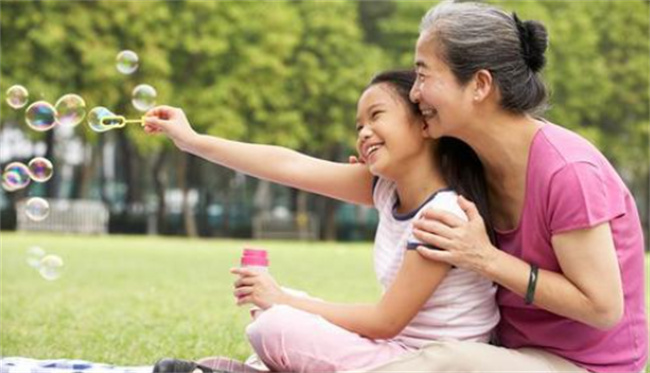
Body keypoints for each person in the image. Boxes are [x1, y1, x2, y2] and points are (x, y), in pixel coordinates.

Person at [143, 70, 499, 373]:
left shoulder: (443, 214)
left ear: (425, 123)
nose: (363, 132)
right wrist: (192, 140)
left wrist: (281, 299)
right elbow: (289, 166)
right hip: (396, 350)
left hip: (424, 364)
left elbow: (385, 322)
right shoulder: (387, 190)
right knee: (277, 311)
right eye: (359, 125)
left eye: (376, 116)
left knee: (277, 324)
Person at [366, 2, 648, 373]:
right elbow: (316, 172)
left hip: (584, 366)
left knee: (445, 361)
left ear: (480, 85)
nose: (415, 94)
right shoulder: (466, 159)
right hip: (507, 353)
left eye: (423, 75)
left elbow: (603, 307)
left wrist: (485, 258)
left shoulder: (568, 173)